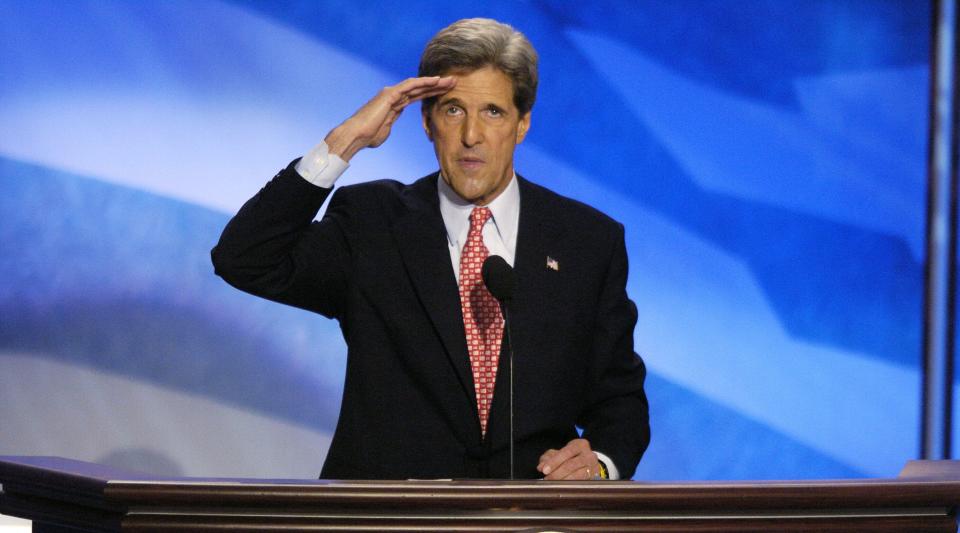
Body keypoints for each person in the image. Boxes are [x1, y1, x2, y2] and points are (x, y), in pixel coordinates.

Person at [212, 18, 649, 480]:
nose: (471, 136)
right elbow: (244, 258)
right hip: (389, 519)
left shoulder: (586, 240)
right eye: (453, 110)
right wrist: (345, 143)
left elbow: (618, 399)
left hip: (529, 516)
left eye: (493, 113)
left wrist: (600, 466)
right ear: (426, 122)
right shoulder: (373, 222)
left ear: (523, 124)